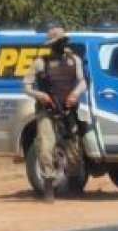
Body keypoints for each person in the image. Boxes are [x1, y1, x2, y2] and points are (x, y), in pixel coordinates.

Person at [22, 22, 86, 201]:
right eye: (57, 42)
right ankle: (49, 186)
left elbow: (82, 82)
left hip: (68, 110)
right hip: (47, 111)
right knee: (45, 147)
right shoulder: (41, 63)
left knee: (74, 150)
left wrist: (75, 94)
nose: (61, 45)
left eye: (62, 41)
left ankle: (74, 186)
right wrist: (40, 95)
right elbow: (26, 86)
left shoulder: (75, 60)